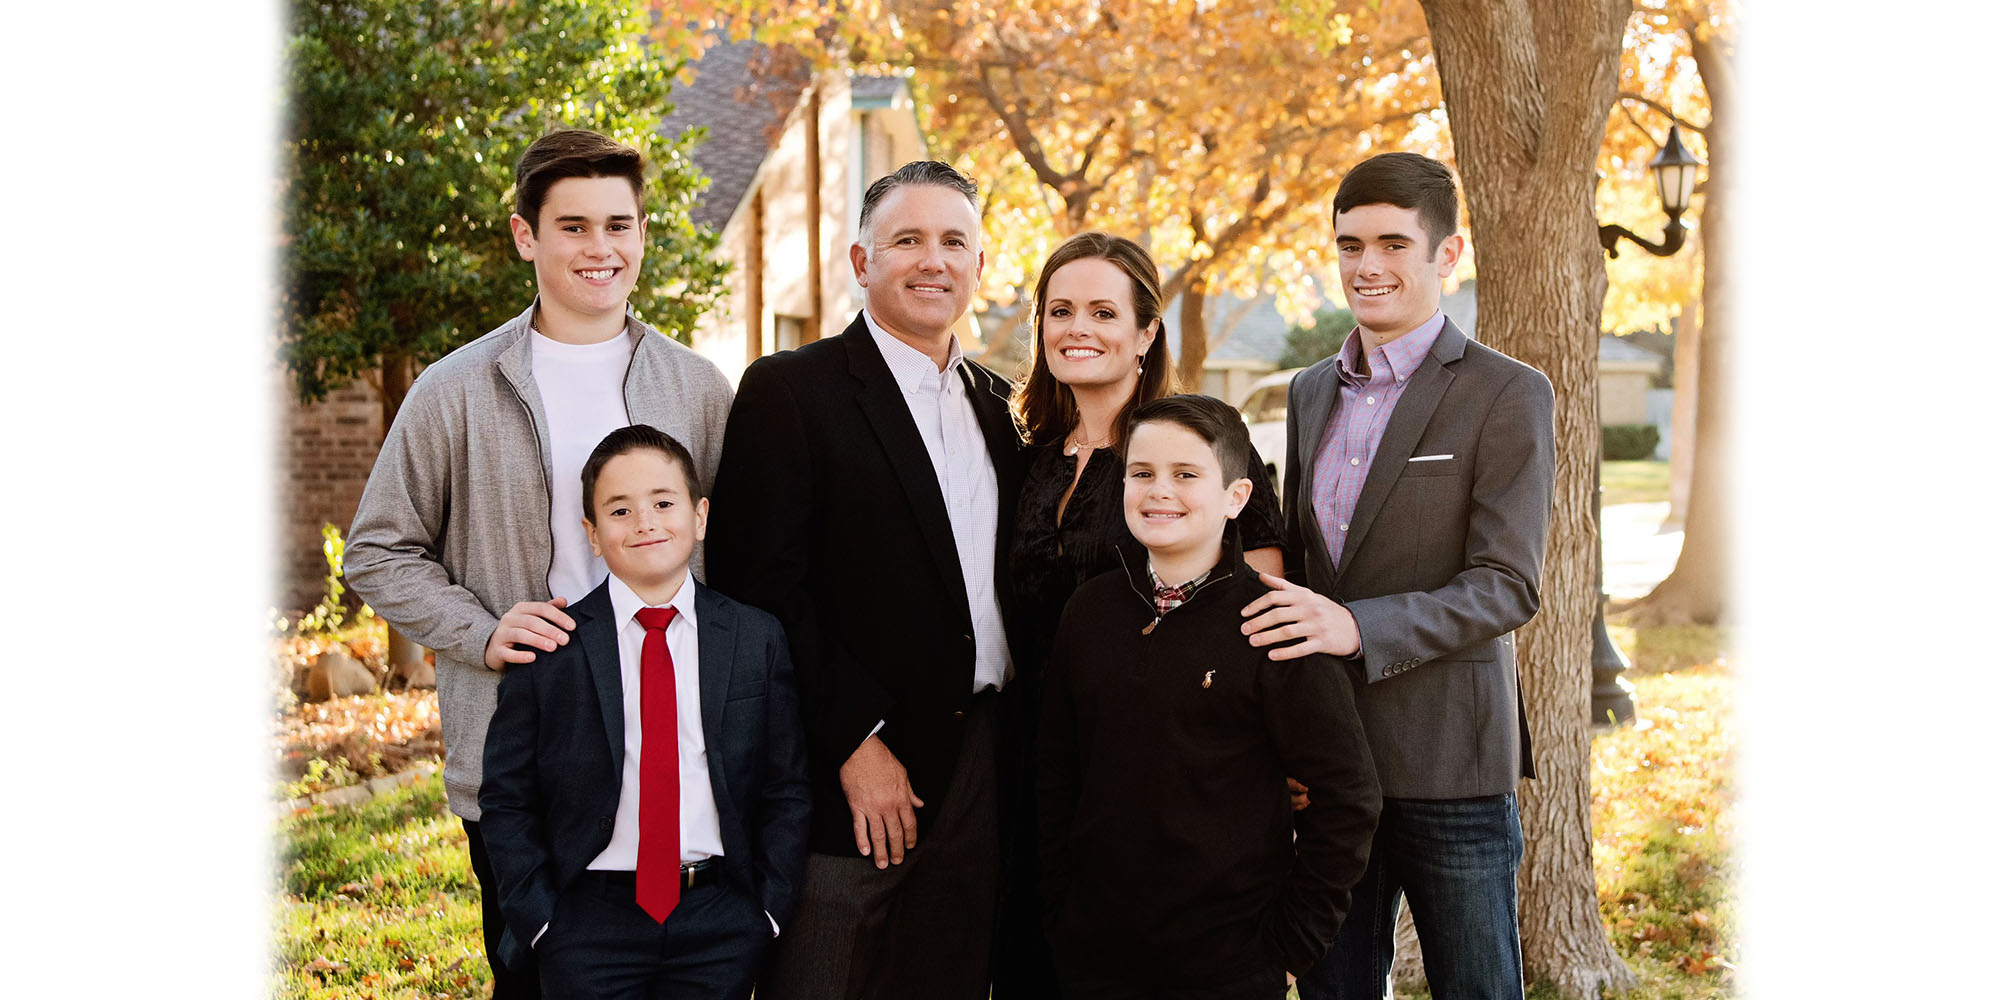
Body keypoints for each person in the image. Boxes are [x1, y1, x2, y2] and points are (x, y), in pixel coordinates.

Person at [343, 128, 736, 999]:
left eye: (620, 225)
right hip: (527, 738)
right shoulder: (456, 388)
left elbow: (738, 559)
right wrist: (482, 633)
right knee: (539, 979)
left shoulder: (699, 388)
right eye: (574, 227)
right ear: (526, 235)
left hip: (677, 737)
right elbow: (377, 548)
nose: (602, 249)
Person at [1239, 151, 1556, 1000]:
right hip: (1331, 764)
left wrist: (1359, 628)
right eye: (1349, 245)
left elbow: (1507, 583)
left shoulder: (1507, 393)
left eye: (1391, 244)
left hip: (1452, 760)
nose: (1366, 266)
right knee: (1337, 988)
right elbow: (1306, 570)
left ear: (1446, 256)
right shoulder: (1310, 392)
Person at [704, 160, 1024, 1000]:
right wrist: (853, 741)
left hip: (983, 755)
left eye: (955, 241)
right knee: (826, 975)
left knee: (949, 976)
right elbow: (758, 592)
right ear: (861, 262)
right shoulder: (790, 392)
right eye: (907, 240)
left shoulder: (1002, 406)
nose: (933, 260)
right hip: (850, 764)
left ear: (981, 267)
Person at [997, 231, 1286, 996]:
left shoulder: (1196, 446)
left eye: (1102, 311)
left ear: (1146, 332)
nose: (1078, 329)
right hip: (1035, 760)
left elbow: (1259, 604)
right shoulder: (1029, 454)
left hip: (1163, 763)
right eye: (1060, 311)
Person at [1037, 393, 1381, 1000]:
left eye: (1186, 475)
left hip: (1228, 964)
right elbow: (1055, 777)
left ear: (1236, 497)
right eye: (1141, 473)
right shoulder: (1089, 614)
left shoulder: (1274, 624)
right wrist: (1059, 912)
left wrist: (1290, 950)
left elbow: (1347, 797)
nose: (1158, 491)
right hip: (1093, 954)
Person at [477, 425, 810, 998]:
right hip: (586, 922)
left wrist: (768, 911)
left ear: (700, 517)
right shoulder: (552, 646)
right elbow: (507, 795)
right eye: (620, 510)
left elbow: (786, 785)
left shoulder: (755, 638)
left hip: (720, 919)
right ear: (592, 533)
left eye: (663, 503)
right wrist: (542, 922)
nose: (646, 522)